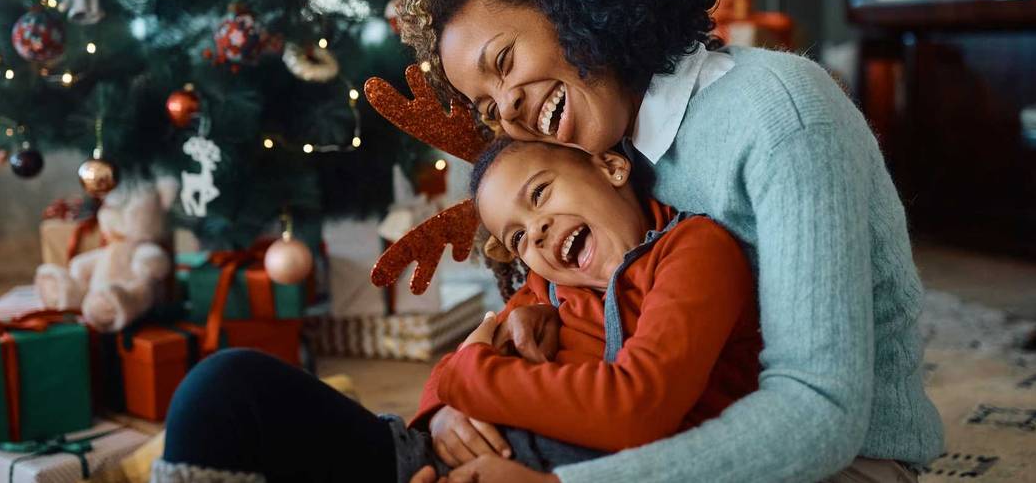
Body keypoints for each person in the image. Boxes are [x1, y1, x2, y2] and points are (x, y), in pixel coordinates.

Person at [394, 0, 944, 483]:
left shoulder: (781, 115)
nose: (510, 109)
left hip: (839, 460)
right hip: (663, 438)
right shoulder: (603, 146)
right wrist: (448, 410)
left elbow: (820, 413)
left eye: (503, 63)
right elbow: (537, 304)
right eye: (489, 108)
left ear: (566, 1)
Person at [151, 137, 761, 483]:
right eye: (519, 238)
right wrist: (440, 411)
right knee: (224, 385)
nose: (539, 235)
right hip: (427, 460)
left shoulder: (692, 249)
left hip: (555, 473)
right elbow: (446, 383)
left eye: (541, 194)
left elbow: (637, 409)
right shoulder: (548, 288)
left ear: (611, 165)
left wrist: (465, 375)